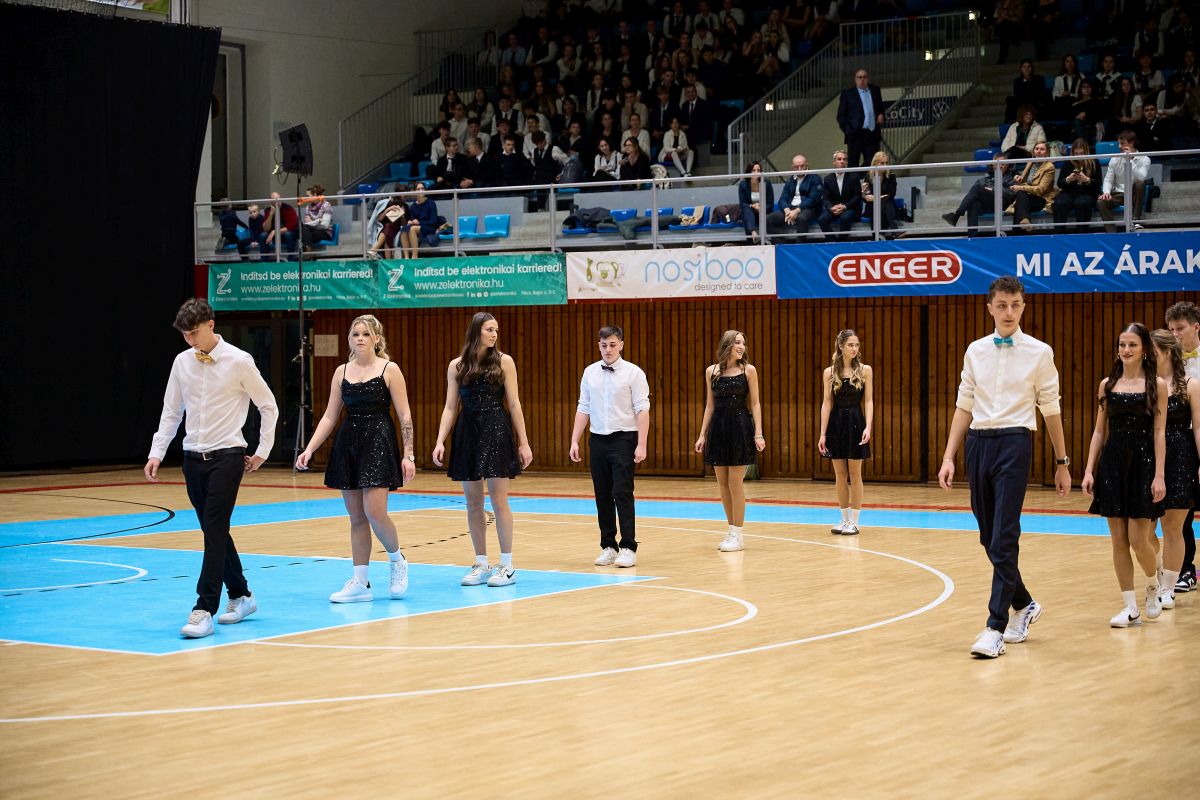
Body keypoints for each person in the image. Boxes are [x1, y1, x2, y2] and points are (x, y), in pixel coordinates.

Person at [937, 276, 1072, 658]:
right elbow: (964, 405)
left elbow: (1051, 409)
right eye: (1002, 305)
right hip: (978, 443)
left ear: (1023, 306)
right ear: (990, 308)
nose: (1009, 312)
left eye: (1015, 305)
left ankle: (994, 627)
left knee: (1005, 535)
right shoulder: (975, 351)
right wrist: (949, 455)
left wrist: (1062, 462)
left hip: (1015, 442)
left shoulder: (1040, 353)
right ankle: (1024, 603)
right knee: (988, 538)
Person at [145, 298, 279, 638]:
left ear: (211, 325)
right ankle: (242, 594)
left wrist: (263, 451)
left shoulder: (239, 361)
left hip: (228, 456)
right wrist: (157, 451)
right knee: (213, 530)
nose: (190, 340)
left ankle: (204, 608)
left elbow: (268, 406)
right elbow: (171, 411)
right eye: (185, 335)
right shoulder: (181, 362)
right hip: (192, 458)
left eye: (194, 333)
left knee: (215, 527)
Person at [296, 316, 416, 602]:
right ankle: (361, 582)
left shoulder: (389, 369)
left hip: (378, 442)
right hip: (349, 443)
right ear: (349, 339)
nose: (360, 338)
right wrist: (309, 449)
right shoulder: (341, 372)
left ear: (376, 339)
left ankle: (397, 560)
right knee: (356, 517)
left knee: (375, 512)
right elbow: (329, 416)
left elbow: (405, 415)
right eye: (355, 334)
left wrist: (408, 454)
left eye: (365, 334)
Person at [432, 313, 533, 587]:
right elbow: (450, 407)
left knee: (499, 501)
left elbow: (515, 404)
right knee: (473, 503)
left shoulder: (504, 362)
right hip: (468, 432)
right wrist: (440, 440)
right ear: (476, 331)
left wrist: (523, 442)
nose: (494, 334)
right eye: (489, 329)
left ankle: (507, 565)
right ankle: (481, 563)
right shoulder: (457, 366)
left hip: (496, 429)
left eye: (496, 330)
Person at [1082, 323, 1168, 627]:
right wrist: (1089, 469)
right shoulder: (1107, 384)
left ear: (1144, 349)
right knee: (1118, 539)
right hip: (1113, 464)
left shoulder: (1157, 385)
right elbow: (1098, 431)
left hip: (1144, 465)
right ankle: (1130, 608)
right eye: (1122, 345)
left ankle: (1153, 584)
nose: (1126, 350)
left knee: (1138, 539)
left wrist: (1159, 475)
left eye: (1132, 344)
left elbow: (1159, 432)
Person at [570, 325, 650, 568]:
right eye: (604, 345)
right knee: (602, 494)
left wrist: (642, 444)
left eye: (613, 345)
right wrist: (574, 439)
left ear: (621, 345)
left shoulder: (634, 373)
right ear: (599, 345)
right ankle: (608, 546)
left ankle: (628, 547)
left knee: (622, 492)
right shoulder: (590, 372)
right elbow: (583, 407)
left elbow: (642, 409)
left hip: (624, 438)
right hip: (598, 439)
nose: (608, 350)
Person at [694, 330, 764, 553]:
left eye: (743, 343)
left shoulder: (749, 370)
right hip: (718, 428)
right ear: (727, 345)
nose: (741, 346)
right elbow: (710, 405)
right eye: (737, 343)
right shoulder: (711, 371)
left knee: (735, 484)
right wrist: (702, 434)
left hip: (739, 427)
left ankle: (738, 534)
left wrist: (758, 433)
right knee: (722, 484)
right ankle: (731, 530)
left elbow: (755, 404)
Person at [1149, 328, 1200, 611]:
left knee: (1173, 526)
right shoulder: (1144, 385)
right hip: (1148, 457)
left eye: (1152, 351)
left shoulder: (1191, 385)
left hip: (1180, 456)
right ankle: (1158, 572)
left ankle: (1169, 587)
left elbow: (1199, 429)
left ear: (1167, 352)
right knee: (1143, 530)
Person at [818, 329, 874, 535]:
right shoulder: (829, 372)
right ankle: (843, 519)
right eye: (850, 345)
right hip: (836, 423)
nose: (854, 348)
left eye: (857, 345)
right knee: (840, 475)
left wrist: (868, 426)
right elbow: (826, 403)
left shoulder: (865, 370)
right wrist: (822, 434)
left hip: (856, 422)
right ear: (841, 346)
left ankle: (855, 521)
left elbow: (868, 400)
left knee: (855, 474)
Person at [1166, 300, 1200, 593]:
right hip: (1183, 440)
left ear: (1196, 327)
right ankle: (1185, 569)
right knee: (1182, 511)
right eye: (1171, 330)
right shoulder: (1166, 364)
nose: (1175, 335)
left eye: (1180, 329)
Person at [941, 147, 1022, 237]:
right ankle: (972, 237)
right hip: (989, 204)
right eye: (996, 164)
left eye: (1002, 164)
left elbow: (1011, 195)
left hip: (1004, 204)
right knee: (973, 203)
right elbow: (973, 194)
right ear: (993, 165)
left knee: (978, 188)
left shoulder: (1012, 178)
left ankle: (957, 215)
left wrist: (993, 190)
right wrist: (986, 191)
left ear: (1007, 165)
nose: (1000, 166)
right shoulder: (985, 180)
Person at [1098, 130, 1151, 232]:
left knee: (1140, 183)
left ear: (1131, 143)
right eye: (1119, 143)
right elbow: (1108, 179)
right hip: (1119, 194)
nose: (1119, 146)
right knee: (1101, 202)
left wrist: (1130, 160)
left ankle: (1136, 221)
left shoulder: (1145, 159)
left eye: (1122, 143)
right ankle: (1111, 232)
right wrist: (1106, 192)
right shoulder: (1115, 159)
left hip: (1134, 194)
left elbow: (1141, 177)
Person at [767, 153, 824, 239]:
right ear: (793, 167)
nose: (799, 169)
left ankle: (799, 244)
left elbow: (813, 199)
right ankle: (782, 244)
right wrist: (787, 210)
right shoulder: (790, 180)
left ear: (807, 165)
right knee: (767, 219)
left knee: (801, 218)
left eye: (802, 166)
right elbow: (782, 199)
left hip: (808, 208)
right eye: (797, 167)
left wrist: (797, 211)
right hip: (791, 208)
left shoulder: (815, 178)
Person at [836, 68, 884, 169]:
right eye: (859, 77)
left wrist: (881, 114)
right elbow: (841, 115)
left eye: (864, 77)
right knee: (853, 163)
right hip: (855, 133)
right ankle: (856, 178)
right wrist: (847, 130)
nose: (862, 79)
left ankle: (865, 178)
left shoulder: (875, 90)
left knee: (873, 162)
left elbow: (880, 107)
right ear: (855, 79)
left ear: (868, 78)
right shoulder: (848, 94)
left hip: (872, 132)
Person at [1052, 138, 1101, 233]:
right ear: (1073, 153)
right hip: (1069, 192)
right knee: (1060, 203)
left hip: (1087, 192)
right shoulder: (1067, 162)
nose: (1078, 156)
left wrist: (1087, 180)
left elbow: (1098, 184)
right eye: (1076, 153)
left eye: (1081, 153)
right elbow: (1060, 184)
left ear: (1086, 152)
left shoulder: (1094, 162)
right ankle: (1058, 233)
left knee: (1083, 203)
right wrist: (1068, 179)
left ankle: (1082, 233)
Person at [1007, 140, 1058, 231]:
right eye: (1036, 149)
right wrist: (1019, 178)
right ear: (1033, 151)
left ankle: (1018, 234)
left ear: (1047, 153)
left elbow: (1041, 189)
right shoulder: (1031, 162)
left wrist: (1021, 187)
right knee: (1020, 199)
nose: (1038, 151)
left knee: (1020, 200)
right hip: (1027, 196)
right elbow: (1025, 180)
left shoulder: (1049, 167)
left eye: (1042, 149)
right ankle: (1025, 221)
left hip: (1041, 198)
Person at [818, 149, 864, 240]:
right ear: (834, 162)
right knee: (822, 219)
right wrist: (831, 208)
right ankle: (833, 241)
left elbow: (857, 196)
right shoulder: (827, 179)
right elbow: (825, 198)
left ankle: (841, 242)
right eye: (839, 159)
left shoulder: (854, 177)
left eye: (844, 159)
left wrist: (845, 206)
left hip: (850, 208)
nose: (842, 161)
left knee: (845, 218)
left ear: (847, 162)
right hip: (834, 208)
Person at [861, 150, 898, 239]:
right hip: (872, 207)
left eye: (886, 163)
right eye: (882, 163)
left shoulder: (891, 176)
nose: (885, 166)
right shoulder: (868, 176)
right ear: (875, 164)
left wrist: (876, 198)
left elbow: (891, 194)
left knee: (885, 202)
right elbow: (866, 198)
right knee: (880, 204)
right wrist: (864, 193)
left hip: (887, 204)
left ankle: (878, 234)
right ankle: (894, 230)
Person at [738, 160, 775, 240]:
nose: (756, 172)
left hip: (763, 211)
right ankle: (753, 232)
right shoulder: (743, 184)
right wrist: (753, 206)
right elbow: (742, 203)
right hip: (750, 212)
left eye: (758, 170)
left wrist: (761, 207)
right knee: (746, 209)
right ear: (749, 172)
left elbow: (770, 203)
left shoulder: (767, 183)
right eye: (753, 170)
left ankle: (753, 237)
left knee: (748, 214)